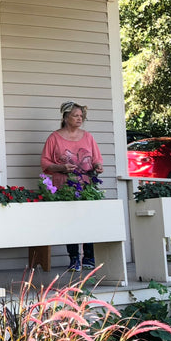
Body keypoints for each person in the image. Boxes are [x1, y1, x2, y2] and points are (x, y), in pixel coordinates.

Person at [40, 101, 104, 272]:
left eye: (81, 116)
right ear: (66, 117)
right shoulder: (54, 138)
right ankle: (74, 259)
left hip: (86, 187)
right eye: (75, 115)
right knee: (71, 223)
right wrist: (61, 167)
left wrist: (98, 166)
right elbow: (45, 163)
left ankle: (89, 257)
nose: (79, 118)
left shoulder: (88, 137)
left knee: (88, 222)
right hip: (65, 188)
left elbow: (97, 159)